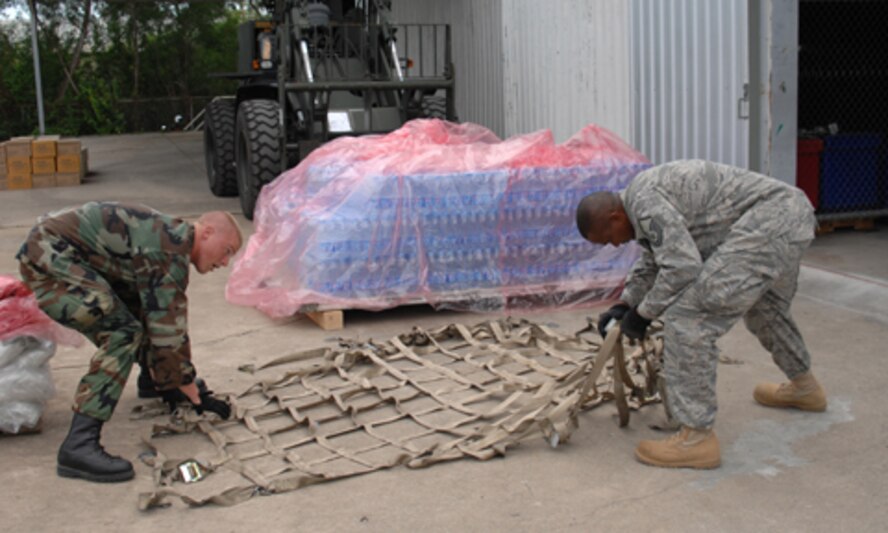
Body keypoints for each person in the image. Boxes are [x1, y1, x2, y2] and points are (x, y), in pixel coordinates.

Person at [576, 159, 827, 469]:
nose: (615, 244)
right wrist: (625, 304)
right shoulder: (640, 201)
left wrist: (643, 315)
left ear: (614, 217)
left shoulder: (644, 203)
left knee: (687, 319)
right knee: (765, 310)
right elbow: (656, 259)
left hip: (768, 223)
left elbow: (682, 267)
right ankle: (805, 387)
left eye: (609, 237)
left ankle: (696, 439)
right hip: (789, 216)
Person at [16, 202, 242, 483]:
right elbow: (168, 330)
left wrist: (175, 382)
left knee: (139, 306)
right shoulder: (167, 248)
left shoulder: (171, 239)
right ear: (207, 232)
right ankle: (79, 445)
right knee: (122, 333)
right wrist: (188, 388)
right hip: (50, 259)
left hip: (63, 253)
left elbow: (157, 313)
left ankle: (155, 381)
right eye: (227, 251)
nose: (224, 263)